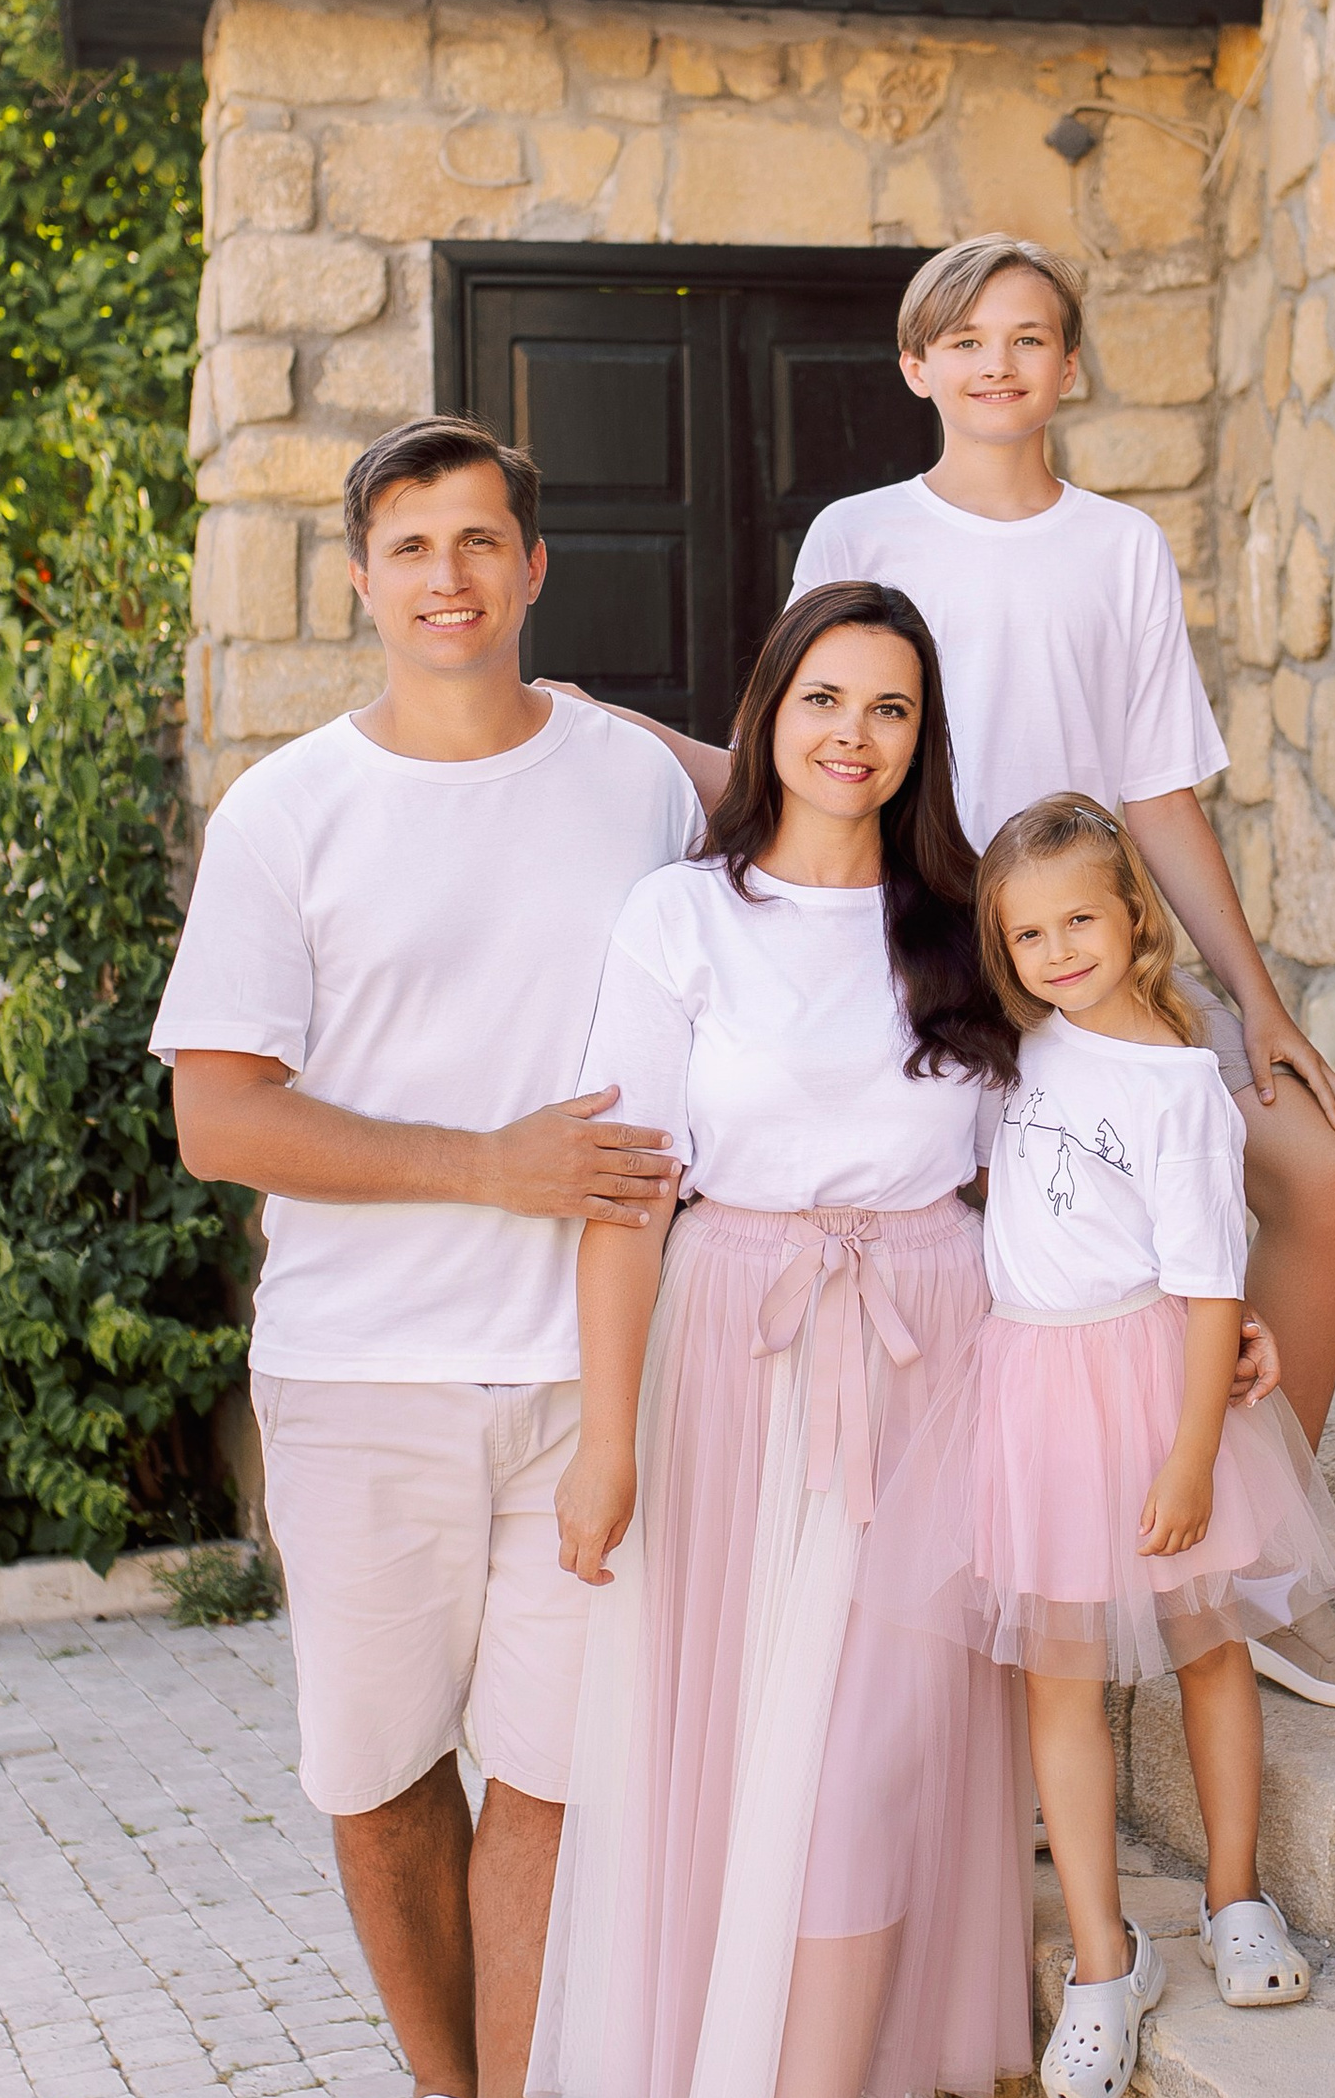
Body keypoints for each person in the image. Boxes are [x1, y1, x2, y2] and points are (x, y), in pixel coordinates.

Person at [637, 234, 1335, 1713]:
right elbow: (810, 746)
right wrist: (622, 733)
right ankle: (1023, 1646)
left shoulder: (1118, 545)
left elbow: (1162, 788)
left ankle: (1257, 1574)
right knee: (1026, 1281)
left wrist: (1256, 999)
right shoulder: (860, 530)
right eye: (967, 335)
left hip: (1093, 970)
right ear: (918, 365)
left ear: (1069, 366)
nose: (1000, 359)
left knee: (1324, 1175)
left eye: (1032, 334)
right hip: (933, 967)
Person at [156, 416, 699, 2098]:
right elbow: (220, 1123)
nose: (447, 576)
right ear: (361, 580)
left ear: (535, 569)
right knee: (384, 1774)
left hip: (589, 1381)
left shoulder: (645, 775)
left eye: (480, 541)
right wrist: (494, 1167)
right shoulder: (286, 813)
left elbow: (841, 835)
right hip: (358, 1372)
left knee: (550, 1779)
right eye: (411, 546)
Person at [533, 582, 1031, 2098]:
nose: (853, 735)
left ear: (922, 736)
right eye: (825, 699)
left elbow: (1053, 1158)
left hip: (936, 1351)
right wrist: (606, 1441)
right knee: (749, 1754)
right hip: (734, 1353)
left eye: (889, 708)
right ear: (769, 712)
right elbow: (626, 1199)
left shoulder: (965, 928)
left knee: (874, 1754)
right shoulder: (684, 916)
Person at [867, 792, 1335, 2096]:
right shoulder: (1020, 1055)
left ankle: (1237, 1898)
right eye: (1027, 934)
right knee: (1059, 1683)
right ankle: (1101, 1958)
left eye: (1080, 917)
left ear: (1135, 916)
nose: (1057, 949)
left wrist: (1193, 1453)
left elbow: (1203, 1285)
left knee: (1206, 1648)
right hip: (1027, 1392)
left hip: (1153, 1388)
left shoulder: (1182, 1085)